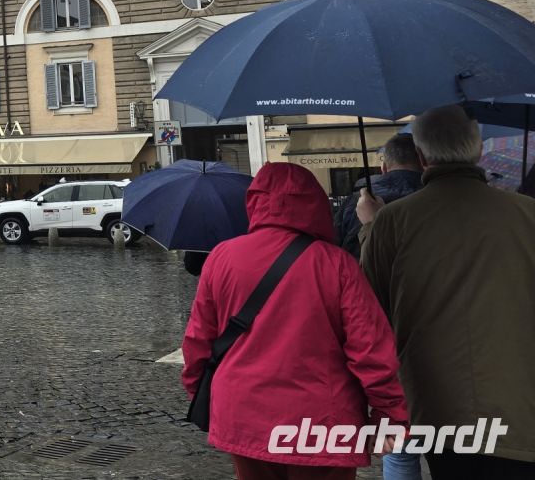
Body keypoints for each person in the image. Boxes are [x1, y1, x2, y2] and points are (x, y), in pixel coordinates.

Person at [184, 162, 406, 480]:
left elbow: (197, 342)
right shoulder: (336, 264)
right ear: (314, 204)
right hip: (321, 422)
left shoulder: (221, 257)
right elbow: (372, 351)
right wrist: (390, 416)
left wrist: (205, 393)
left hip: (243, 414)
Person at [359, 105, 535, 480]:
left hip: (437, 402)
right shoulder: (527, 213)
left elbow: (370, 312)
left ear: (421, 156)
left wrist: (369, 229)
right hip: (523, 402)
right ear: (477, 152)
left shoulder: (394, 220)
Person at [336, 134, 422, 258]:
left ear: (384, 167)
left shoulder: (356, 200)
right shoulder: (436, 198)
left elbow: (336, 245)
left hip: (361, 274)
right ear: (424, 162)